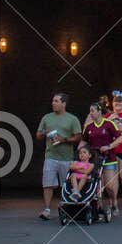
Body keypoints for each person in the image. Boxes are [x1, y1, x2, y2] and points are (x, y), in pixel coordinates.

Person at [36, 92, 82, 221]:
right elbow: (38, 135)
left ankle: (66, 208)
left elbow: (78, 136)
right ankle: (47, 210)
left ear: (64, 104)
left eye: (56, 101)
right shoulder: (47, 117)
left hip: (66, 158)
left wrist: (64, 139)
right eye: (53, 101)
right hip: (50, 155)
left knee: (66, 185)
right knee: (47, 183)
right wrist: (44, 133)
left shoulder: (72, 119)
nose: (53, 103)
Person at [83, 102, 122, 215]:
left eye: (93, 111)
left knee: (110, 186)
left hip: (109, 158)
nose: (91, 113)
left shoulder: (109, 124)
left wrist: (109, 146)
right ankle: (99, 207)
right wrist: (80, 151)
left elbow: (120, 138)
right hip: (94, 159)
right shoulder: (89, 127)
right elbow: (84, 141)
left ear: (99, 112)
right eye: (90, 111)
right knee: (97, 186)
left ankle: (114, 202)